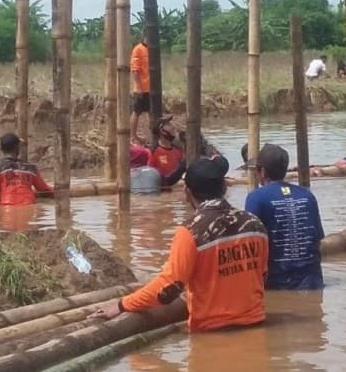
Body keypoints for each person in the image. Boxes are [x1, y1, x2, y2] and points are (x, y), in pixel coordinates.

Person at [89, 155, 269, 332]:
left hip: (212, 331)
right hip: (256, 324)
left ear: (187, 192)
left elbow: (168, 288)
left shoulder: (190, 231)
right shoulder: (255, 224)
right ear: (224, 187)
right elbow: (262, 275)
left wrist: (121, 305)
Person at [245, 143, 325, 290]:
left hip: (277, 284)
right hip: (313, 281)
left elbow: (251, 246)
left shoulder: (255, 198)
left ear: (262, 172)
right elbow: (317, 241)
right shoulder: (307, 195)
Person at [148, 115, 186, 187]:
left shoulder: (179, 149)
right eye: (168, 125)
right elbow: (150, 176)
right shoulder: (153, 152)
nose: (173, 127)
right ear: (162, 131)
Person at [130, 35, 150, 144]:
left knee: (152, 112)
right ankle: (133, 136)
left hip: (152, 88)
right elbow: (135, 70)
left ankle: (152, 136)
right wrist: (138, 87)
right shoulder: (138, 49)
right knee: (137, 111)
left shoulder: (152, 49)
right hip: (142, 88)